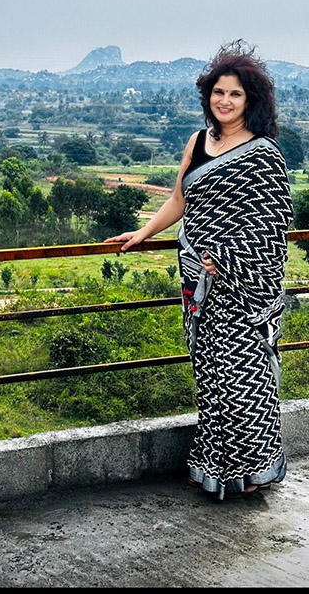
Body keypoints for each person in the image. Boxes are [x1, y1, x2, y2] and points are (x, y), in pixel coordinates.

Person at [106, 40, 293, 501]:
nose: (224, 101)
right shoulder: (198, 141)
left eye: (235, 94)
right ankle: (215, 467)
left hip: (243, 288)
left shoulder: (263, 154)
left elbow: (272, 223)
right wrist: (143, 233)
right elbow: (179, 200)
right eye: (218, 92)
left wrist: (227, 257)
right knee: (211, 379)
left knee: (244, 381)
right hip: (198, 284)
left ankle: (251, 471)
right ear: (208, 95)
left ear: (250, 100)